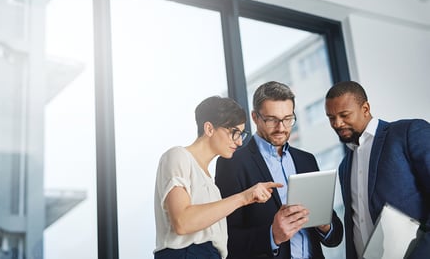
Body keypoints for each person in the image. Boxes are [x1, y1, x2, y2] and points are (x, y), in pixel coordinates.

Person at [216, 81, 343, 259]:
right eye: (272, 120)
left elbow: (335, 236)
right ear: (255, 117)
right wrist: (272, 236)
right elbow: (226, 239)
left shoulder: (306, 160)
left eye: (288, 119)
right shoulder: (233, 163)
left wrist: (325, 226)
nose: (281, 128)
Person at [154, 95, 282, 259]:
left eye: (241, 134)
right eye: (234, 132)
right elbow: (182, 222)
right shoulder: (178, 156)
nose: (239, 142)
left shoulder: (210, 183)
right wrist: (244, 197)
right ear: (209, 129)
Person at [324, 80, 430, 259]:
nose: (337, 123)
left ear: (365, 109)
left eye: (344, 115)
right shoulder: (344, 166)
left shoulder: (407, 133)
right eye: (331, 118)